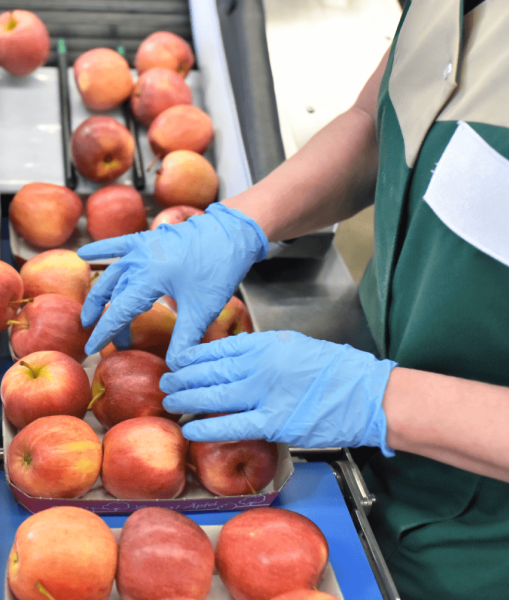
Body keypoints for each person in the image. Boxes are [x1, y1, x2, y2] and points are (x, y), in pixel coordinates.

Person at [77, 0, 509, 598]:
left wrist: (381, 398)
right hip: (373, 419)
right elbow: (378, 121)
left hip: (475, 553)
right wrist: (242, 222)